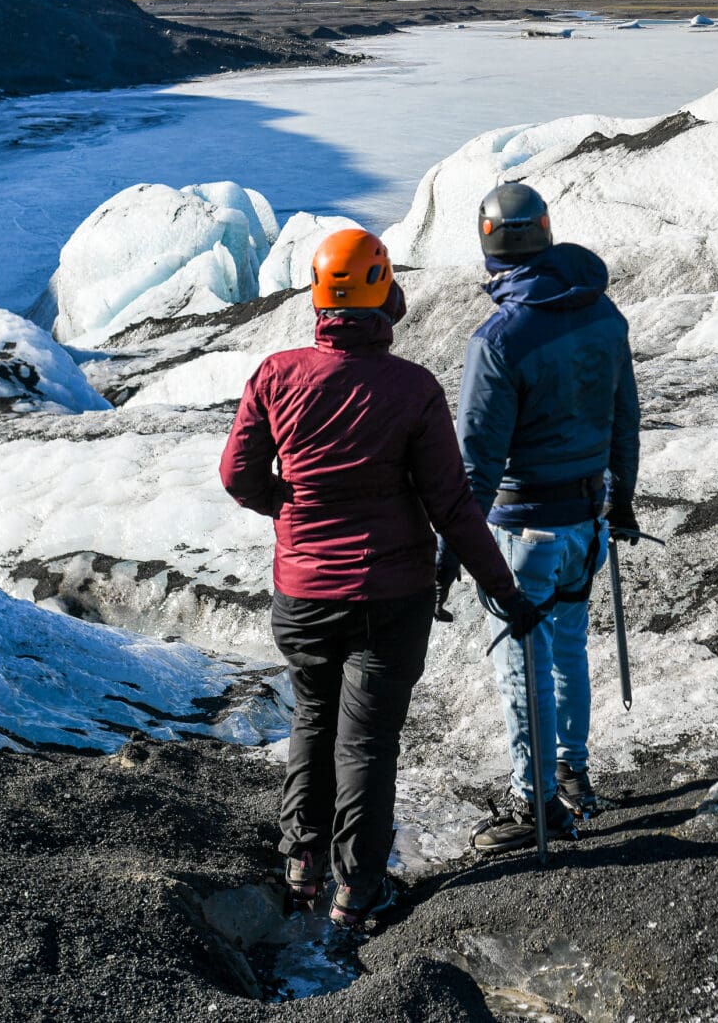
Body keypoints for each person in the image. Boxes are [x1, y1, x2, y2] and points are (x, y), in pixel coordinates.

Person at [220, 227, 540, 927]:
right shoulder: (413, 388)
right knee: (367, 742)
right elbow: (450, 506)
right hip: (391, 596)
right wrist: (504, 590)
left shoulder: (276, 374)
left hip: (303, 592)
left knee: (313, 718)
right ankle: (357, 891)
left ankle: (302, 865)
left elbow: (237, 476)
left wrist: (290, 506)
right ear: (383, 294)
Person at [444, 183, 642, 854]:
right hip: (585, 517)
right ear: (546, 234)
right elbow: (625, 417)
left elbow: (475, 466)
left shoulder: (498, 340)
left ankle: (535, 806)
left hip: (521, 527)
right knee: (566, 649)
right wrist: (621, 498)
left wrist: (452, 554)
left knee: (518, 667)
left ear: (488, 242)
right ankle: (574, 776)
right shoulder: (603, 312)